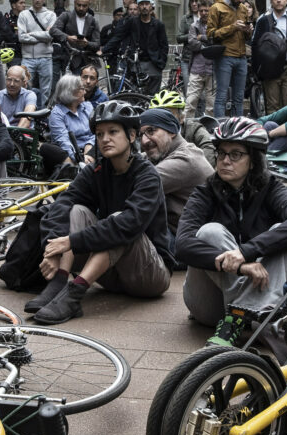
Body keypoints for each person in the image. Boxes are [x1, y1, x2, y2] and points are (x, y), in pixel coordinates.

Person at [26, 100, 173, 324]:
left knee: (118, 221)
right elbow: (62, 204)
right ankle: (59, 283)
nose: (105, 139)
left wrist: (71, 241)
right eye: (99, 133)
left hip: (149, 276)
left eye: (113, 132)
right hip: (109, 273)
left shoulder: (147, 176)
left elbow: (128, 224)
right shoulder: (97, 170)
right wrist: (53, 249)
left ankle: (74, 294)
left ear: (132, 136)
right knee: (76, 210)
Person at [175, 117, 287, 346]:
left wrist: (247, 252)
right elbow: (182, 245)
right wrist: (241, 264)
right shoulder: (205, 191)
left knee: (286, 231)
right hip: (210, 306)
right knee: (211, 232)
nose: (225, 161)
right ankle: (250, 313)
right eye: (221, 154)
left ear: (253, 161)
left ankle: (240, 318)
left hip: (259, 298)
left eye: (235, 154)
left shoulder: (270, 187)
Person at [138, 107, 213, 236]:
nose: (144, 141)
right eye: (141, 135)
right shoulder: (162, 152)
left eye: (151, 131)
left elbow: (136, 185)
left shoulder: (186, 159)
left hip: (187, 243)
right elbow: (134, 160)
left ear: (172, 132)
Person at [101, 0, 168, 95]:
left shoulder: (158, 24)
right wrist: (104, 49)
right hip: (136, 64)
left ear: (150, 6)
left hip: (154, 64)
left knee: (153, 96)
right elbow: (118, 36)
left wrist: (161, 63)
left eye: (146, 4)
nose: (144, 6)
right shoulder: (132, 22)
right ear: (138, 7)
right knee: (135, 95)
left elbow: (164, 45)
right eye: (141, 4)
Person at [207, 0, 253, 118]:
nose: (241, 0)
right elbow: (210, 34)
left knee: (239, 98)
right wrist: (233, 27)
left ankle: (237, 128)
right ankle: (220, 128)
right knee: (221, 96)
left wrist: (248, 30)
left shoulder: (243, 9)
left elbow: (246, 37)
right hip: (224, 56)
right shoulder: (216, 8)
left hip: (241, 57)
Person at [148, 89, 216, 166]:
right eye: (158, 117)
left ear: (181, 118)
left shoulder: (193, 129)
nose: (162, 122)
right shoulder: (147, 134)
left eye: (169, 116)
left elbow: (208, 147)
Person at [18, 0, 56, 103]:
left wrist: (32, 34)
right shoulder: (24, 14)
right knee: (24, 87)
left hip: (46, 58)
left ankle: (44, 115)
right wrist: (42, 36)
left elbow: (50, 35)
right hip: (28, 58)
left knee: (46, 90)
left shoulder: (51, 15)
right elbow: (21, 37)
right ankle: (27, 112)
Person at [48, 73, 95, 166]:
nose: (85, 92)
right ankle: (76, 168)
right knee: (47, 148)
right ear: (71, 92)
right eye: (82, 89)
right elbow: (63, 140)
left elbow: (96, 131)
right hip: (71, 153)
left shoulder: (88, 106)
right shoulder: (57, 113)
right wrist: (78, 157)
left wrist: (89, 145)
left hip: (91, 150)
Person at [51, 0, 100, 75]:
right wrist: (68, 37)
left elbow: (97, 44)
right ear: (74, 3)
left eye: (84, 6)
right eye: (79, 5)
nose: (81, 8)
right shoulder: (66, 16)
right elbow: (53, 30)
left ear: (89, 5)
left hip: (86, 62)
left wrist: (87, 43)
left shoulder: (93, 21)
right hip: (66, 59)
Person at [186, 0, 215, 118]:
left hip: (213, 69)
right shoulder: (194, 26)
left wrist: (202, 38)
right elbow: (192, 43)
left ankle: (210, 129)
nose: (203, 13)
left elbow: (217, 41)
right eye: (201, 10)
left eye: (206, 10)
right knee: (190, 101)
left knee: (211, 104)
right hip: (197, 69)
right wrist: (207, 46)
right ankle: (186, 126)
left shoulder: (216, 25)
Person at [4, 0, 25, 67]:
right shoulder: (7, 18)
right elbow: (8, 36)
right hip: (13, 54)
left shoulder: (26, 18)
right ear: (14, 5)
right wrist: (23, 36)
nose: (24, 5)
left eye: (24, 3)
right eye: (21, 3)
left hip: (26, 54)